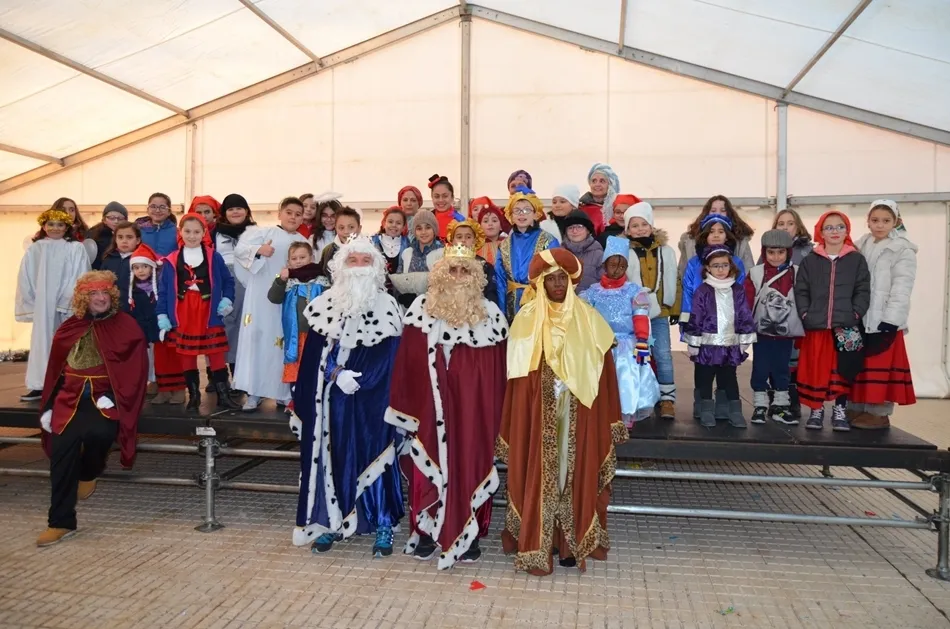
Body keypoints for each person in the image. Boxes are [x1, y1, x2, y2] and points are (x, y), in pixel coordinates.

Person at [498, 248, 624, 576]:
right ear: (539, 283)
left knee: (574, 472)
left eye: (562, 278)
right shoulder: (525, 321)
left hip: (578, 414)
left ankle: (570, 543)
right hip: (538, 415)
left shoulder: (588, 319)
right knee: (539, 474)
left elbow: (605, 373)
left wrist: (605, 416)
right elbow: (518, 380)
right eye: (550, 278)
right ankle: (542, 541)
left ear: (571, 281)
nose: (557, 284)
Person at [386, 245, 508, 569]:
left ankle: (468, 535)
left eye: (464, 271)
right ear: (440, 275)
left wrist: (492, 416)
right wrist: (411, 408)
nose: (457, 277)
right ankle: (427, 532)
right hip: (429, 408)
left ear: (475, 277)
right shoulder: (419, 311)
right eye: (451, 270)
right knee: (429, 465)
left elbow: (497, 374)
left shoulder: (492, 317)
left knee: (470, 465)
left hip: (473, 412)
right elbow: (407, 364)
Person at [290, 236, 404, 557]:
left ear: (376, 267)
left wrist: (366, 382)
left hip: (376, 398)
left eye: (364, 261)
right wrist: (336, 376)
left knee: (379, 458)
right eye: (351, 261)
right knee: (336, 456)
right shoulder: (325, 304)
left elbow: (393, 359)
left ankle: (382, 523)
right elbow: (313, 357)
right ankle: (334, 523)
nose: (358, 267)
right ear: (340, 266)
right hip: (335, 398)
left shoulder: (389, 306)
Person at [35, 270, 148, 547]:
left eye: (104, 293)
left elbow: (136, 369)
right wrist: (48, 406)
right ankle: (60, 522)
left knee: (98, 435)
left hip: (104, 400)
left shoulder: (126, 326)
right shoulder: (69, 327)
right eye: (94, 294)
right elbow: (54, 372)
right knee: (62, 452)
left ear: (112, 295)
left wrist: (113, 394)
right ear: (83, 298)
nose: (100, 298)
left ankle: (88, 473)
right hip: (69, 398)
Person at [794, 211, 871, 431]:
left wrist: (855, 314)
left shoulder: (856, 259)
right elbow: (801, 291)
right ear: (820, 231)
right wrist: (806, 314)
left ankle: (840, 410)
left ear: (847, 230)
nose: (835, 231)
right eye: (829, 227)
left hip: (847, 326)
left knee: (843, 369)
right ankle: (816, 410)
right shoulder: (811, 260)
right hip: (816, 327)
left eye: (840, 227)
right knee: (816, 369)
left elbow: (863, 290)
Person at [232, 197, 309, 412]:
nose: (293, 217)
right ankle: (253, 392)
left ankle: (283, 393)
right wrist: (258, 250)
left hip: (288, 301)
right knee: (257, 342)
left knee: (283, 344)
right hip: (260, 300)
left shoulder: (305, 241)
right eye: (289, 212)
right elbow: (240, 250)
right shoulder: (263, 233)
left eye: (298, 214)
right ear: (280, 213)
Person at [156, 214, 239, 411]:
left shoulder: (214, 256)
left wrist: (227, 298)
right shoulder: (171, 260)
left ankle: (223, 395)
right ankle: (193, 396)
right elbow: (164, 290)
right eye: (187, 231)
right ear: (180, 232)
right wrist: (162, 315)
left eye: (196, 232)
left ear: (204, 233)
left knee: (216, 353)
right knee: (187, 355)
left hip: (208, 310)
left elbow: (228, 281)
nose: (192, 236)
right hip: (184, 312)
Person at [849, 200, 917, 429]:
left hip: (884, 320)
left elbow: (902, 287)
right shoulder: (861, 244)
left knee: (881, 365)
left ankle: (879, 412)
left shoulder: (902, 249)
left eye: (886, 221)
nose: (880, 225)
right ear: (868, 221)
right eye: (875, 220)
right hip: (862, 317)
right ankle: (857, 406)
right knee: (860, 363)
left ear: (896, 222)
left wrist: (892, 318)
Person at [580, 237, 660, 426]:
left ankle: (625, 413)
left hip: (626, 345)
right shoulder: (592, 292)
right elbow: (585, 319)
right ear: (605, 265)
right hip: (600, 344)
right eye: (613, 264)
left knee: (625, 378)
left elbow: (640, 316)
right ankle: (602, 413)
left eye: (622, 265)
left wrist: (641, 340)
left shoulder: (634, 291)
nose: (617, 269)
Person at [16, 208, 91, 402]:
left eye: (60, 225)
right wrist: (33, 300)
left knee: (67, 344)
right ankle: (39, 384)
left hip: (66, 306)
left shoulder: (75, 248)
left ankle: (66, 384)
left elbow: (80, 274)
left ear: (67, 227)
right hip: (43, 305)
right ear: (43, 226)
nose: (55, 228)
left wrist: (68, 300)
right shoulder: (36, 249)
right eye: (51, 224)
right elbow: (26, 277)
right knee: (41, 343)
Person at [681, 214, 747, 420]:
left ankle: (725, 404)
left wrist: (743, 333)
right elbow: (688, 294)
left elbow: (741, 299)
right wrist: (687, 326)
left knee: (727, 371)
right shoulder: (694, 263)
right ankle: (702, 403)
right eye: (712, 231)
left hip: (727, 330)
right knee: (703, 368)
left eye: (721, 232)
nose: (716, 235)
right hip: (702, 329)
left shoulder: (736, 262)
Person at [624, 202, 681, 419]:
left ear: (651, 226)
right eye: (634, 225)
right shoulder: (625, 251)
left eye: (643, 224)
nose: (639, 229)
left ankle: (667, 398)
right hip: (633, 314)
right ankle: (639, 395)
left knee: (663, 354)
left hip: (660, 312)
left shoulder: (665, 251)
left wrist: (674, 308)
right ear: (628, 230)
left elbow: (674, 279)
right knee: (636, 354)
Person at [743, 230, 803, 425]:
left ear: (788, 252)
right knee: (760, 367)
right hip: (762, 331)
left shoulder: (797, 272)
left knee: (782, 368)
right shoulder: (756, 272)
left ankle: (780, 406)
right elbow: (747, 300)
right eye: (771, 252)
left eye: (780, 252)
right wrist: (745, 327)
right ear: (764, 252)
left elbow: (804, 299)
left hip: (786, 331)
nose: (775, 257)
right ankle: (760, 405)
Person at [759, 208, 813, 419]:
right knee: (774, 357)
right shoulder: (767, 251)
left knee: (793, 358)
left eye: (790, 223)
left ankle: (793, 398)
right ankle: (776, 399)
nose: (785, 227)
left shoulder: (808, 251)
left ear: (798, 226)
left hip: (798, 311)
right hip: (773, 314)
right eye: (781, 223)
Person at [267, 242, 323, 413]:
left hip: (317, 336)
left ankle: (315, 401)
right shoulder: (288, 282)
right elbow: (273, 298)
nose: (298, 261)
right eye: (294, 258)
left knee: (315, 368)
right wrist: (280, 279)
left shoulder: (322, 280)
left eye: (302, 257)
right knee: (295, 368)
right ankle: (295, 401)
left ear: (312, 258)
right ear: (289, 262)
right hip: (295, 336)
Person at [495, 186, 559, 321]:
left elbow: (554, 276)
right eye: (517, 210)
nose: (521, 214)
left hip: (540, 303)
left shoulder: (548, 241)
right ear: (510, 215)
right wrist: (501, 314)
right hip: (512, 305)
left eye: (527, 210)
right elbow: (500, 281)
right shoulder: (504, 245)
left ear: (536, 214)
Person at [214, 193, 256, 379]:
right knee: (226, 325)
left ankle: (244, 376)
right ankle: (222, 375)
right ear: (224, 213)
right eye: (231, 209)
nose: (235, 211)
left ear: (246, 211)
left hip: (250, 280)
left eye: (239, 207)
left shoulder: (257, 232)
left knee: (247, 327)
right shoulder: (215, 232)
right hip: (226, 281)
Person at [678, 195, 755, 275]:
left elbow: (749, 271)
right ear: (707, 213)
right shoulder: (690, 240)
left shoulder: (740, 240)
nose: (718, 214)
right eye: (713, 211)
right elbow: (682, 270)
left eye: (723, 210)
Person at [393, 210, 444, 308]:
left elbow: (447, 284)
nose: (423, 232)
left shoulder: (443, 253)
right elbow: (399, 281)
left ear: (434, 229)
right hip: (409, 309)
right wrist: (401, 297)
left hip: (434, 308)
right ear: (414, 232)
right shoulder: (407, 253)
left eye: (428, 227)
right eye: (419, 228)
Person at [447, 218, 497, 303]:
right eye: (459, 237)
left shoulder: (485, 267)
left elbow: (491, 296)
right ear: (452, 241)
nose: (463, 240)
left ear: (474, 240)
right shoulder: (444, 266)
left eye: (468, 237)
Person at [100, 221, 141, 310]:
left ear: (137, 240)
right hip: (109, 308)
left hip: (133, 310)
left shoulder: (141, 261)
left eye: (129, 237)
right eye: (120, 237)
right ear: (115, 239)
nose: (124, 241)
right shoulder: (108, 258)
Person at [560, 210, 603, 292]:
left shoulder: (598, 255)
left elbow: (604, 282)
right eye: (570, 228)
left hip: (589, 303)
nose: (574, 231)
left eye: (579, 226)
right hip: (565, 302)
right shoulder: (559, 253)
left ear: (588, 230)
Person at [317, 206, 362, 284]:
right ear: (335, 228)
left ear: (359, 228)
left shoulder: (369, 250)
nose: (346, 232)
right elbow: (322, 274)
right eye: (341, 228)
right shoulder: (328, 250)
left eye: (351, 227)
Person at [84, 201, 129, 270]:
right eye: (111, 218)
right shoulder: (94, 235)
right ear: (104, 220)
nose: (116, 221)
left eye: (120, 219)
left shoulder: (130, 234)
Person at [578, 163, 617, 234]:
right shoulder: (580, 208)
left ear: (610, 184)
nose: (597, 184)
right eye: (594, 181)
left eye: (602, 181)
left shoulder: (617, 207)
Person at [371, 206, 410, 274]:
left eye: (398, 223)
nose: (394, 225)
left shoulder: (408, 244)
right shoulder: (372, 242)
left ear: (404, 227)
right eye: (390, 222)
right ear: (384, 223)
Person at [427, 174, 464, 240]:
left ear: (452, 197)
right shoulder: (427, 219)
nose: (441, 200)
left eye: (445, 196)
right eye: (437, 196)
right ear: (432, 198)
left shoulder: (460, 220)